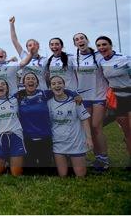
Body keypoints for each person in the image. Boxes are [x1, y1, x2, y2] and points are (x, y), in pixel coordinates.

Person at [73, 33, 109, 170]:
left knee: (96, 127)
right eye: (77, 39)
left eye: (82, 38)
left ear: (87, 40)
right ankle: (97, 158)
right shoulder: (72, 58)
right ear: (75, 44)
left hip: (99, 96)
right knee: (87, 129)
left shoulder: (99, 56)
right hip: (84, 97)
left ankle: (104, 158)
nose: (80, 41)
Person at [96, 36, 131, 168]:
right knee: (127, 132)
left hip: (129, 96)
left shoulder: (124, 58)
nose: (101, 48)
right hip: (118, 99)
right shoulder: (101, 62)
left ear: (111, 45)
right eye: (98, 46)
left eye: (104, 44)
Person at [47, 75, 92, 177]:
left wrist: (89, 138)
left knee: (80, 175)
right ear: (50, 88)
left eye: (59, 83)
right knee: (63, 175)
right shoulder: (48, 103)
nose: (57, 85)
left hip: (76, 142)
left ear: (64, 85)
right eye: (53, 84)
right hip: (58, 143)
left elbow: (84, 119)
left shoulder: (75, 100)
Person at [0, 79, 25, 176]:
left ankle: (9, 161)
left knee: (16, 174)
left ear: (7, 88)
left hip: (15, 136)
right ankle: (2, 160)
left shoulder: (15, 100)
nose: (0, 86)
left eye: (3, 84)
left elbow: (25, 86)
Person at [9, 16, 48, 90]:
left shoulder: (45, 60)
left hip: (41, 91)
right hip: (25, 91)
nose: (32, 46)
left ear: (38, 46)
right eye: (29, 45)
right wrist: (11, 24)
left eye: (34, 44)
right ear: (27, 48)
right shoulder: (24, 56)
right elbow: (15, 41)